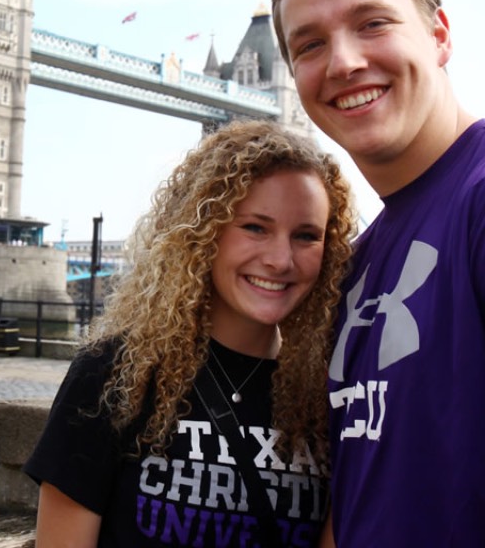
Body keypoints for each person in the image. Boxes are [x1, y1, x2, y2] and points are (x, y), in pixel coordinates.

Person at [25, 119, 356, 547]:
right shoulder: (115, 374)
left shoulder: (329, 395)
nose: (280, 259)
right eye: (255, 227)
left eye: (306, 236)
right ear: (205, 232)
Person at [267, 0, 485, 548]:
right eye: (309, 45)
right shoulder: (355, 265)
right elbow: (367, 486)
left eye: (373, 23)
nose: (343, 62)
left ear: (439, 34)